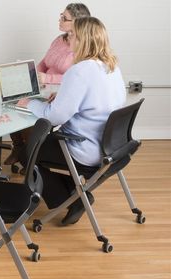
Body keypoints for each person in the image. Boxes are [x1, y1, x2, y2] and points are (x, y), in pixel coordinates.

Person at [17, 17, 126, 225]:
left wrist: (29, 103)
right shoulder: (111, 66)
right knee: (37, 149)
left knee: (27, 154)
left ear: (83, 40)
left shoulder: (79, 71)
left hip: (84, 147)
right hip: (110, 146)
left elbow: (54, 117)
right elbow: (97, 100)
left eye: (72, 35)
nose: (69, 39)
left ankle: (71, 199)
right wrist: (63, 97)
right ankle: (79, 193)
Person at [4, 3, 91, 168]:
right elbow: (45, 62)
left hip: (58, 91)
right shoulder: (59, 39)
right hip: (44, 86)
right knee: (13, 99)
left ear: (77, 23)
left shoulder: (81, 46)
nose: (60, 20)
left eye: (64, 18)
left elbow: (74, 79)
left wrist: (47, 78)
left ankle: (31, 159)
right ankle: (19, 148)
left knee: (31, 112)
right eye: (61, 15)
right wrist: (33, 76)